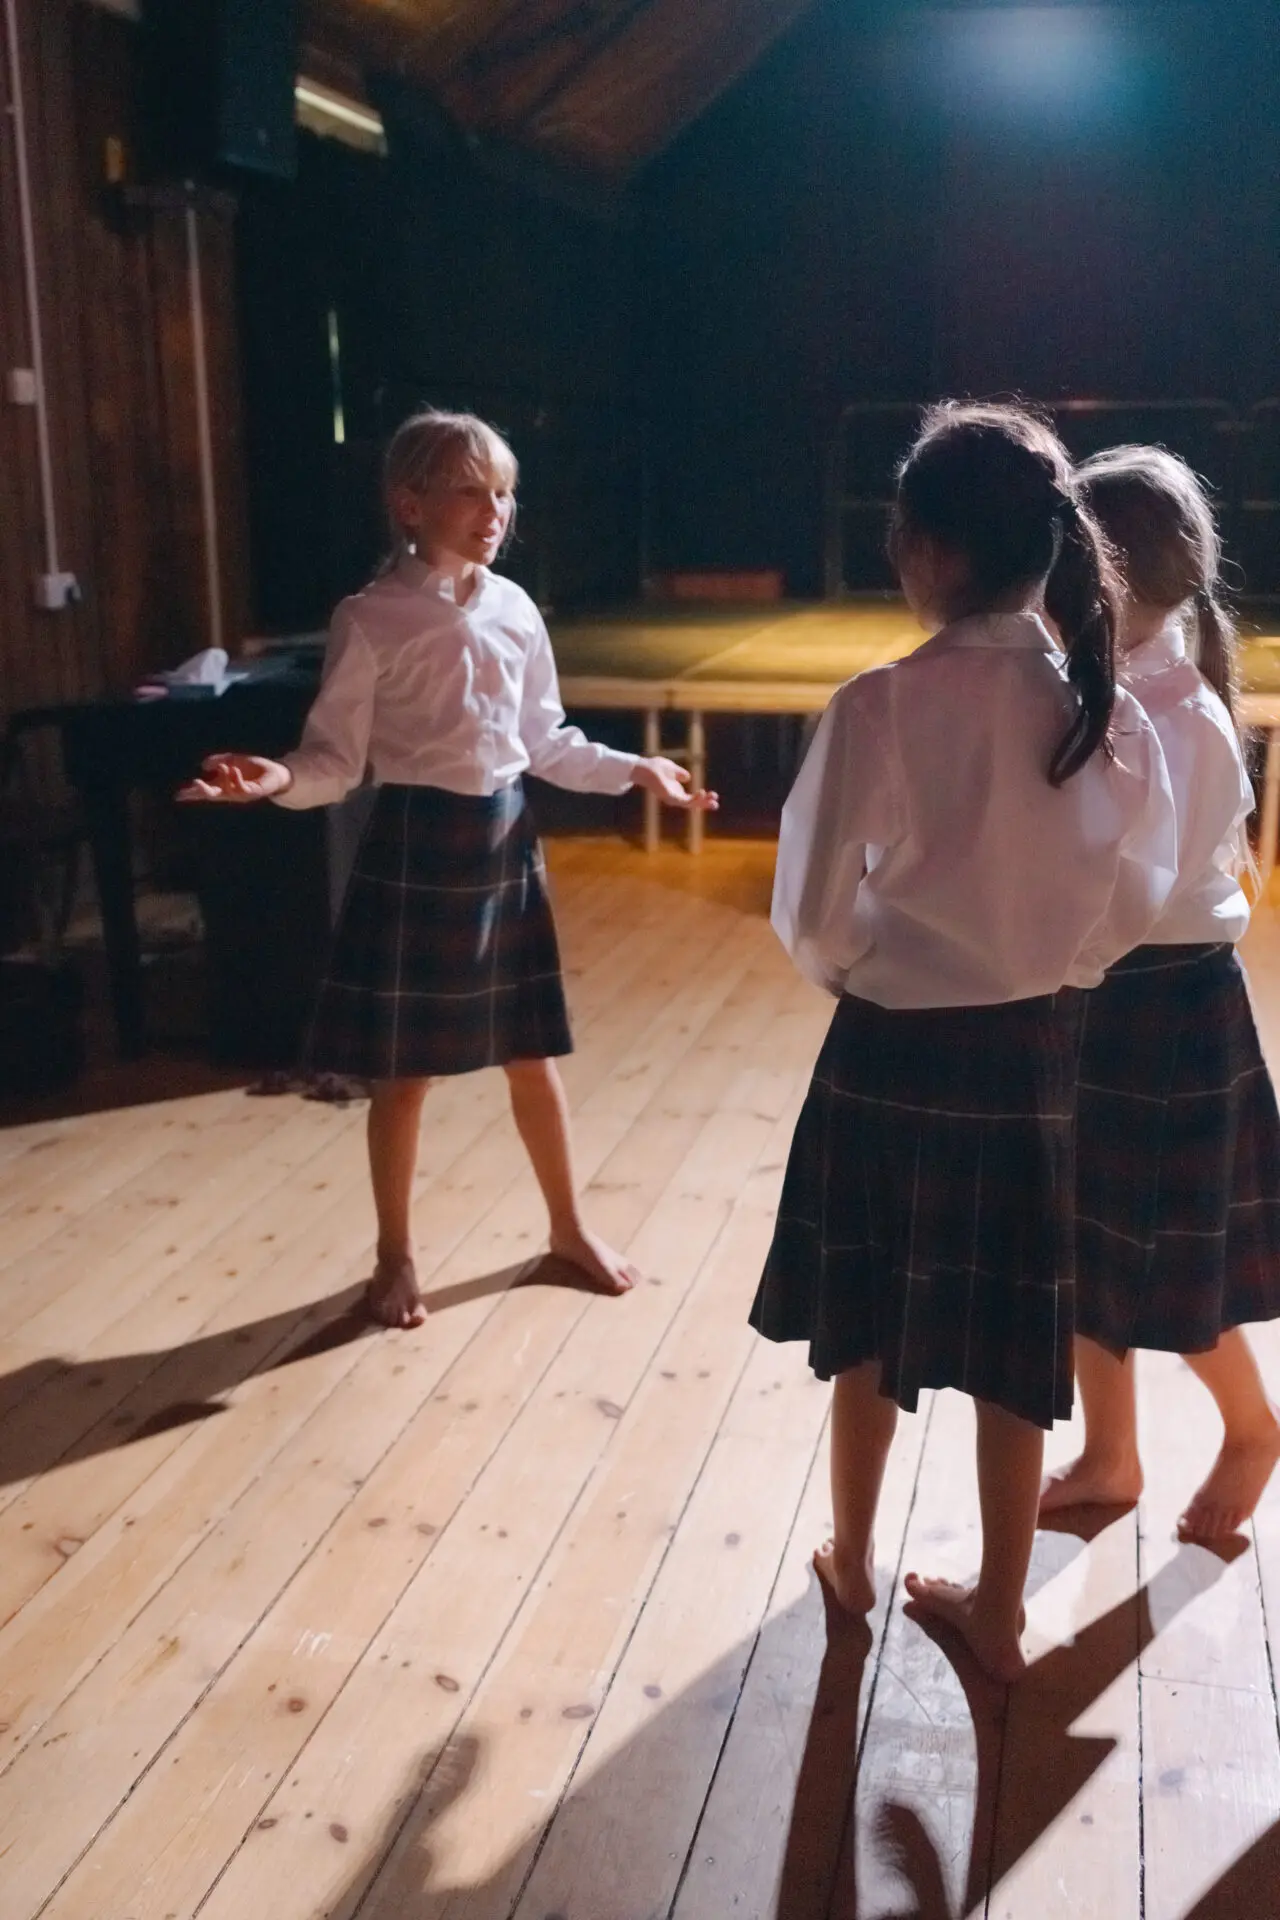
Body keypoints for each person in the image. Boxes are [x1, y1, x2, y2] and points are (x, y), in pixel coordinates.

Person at [749, 401, 1178, 1681]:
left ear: (921, 548)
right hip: (1033, 1051)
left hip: (886, 1053)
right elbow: (1135, 898)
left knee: (867, 1328)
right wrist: (1051, 969)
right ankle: (997, 1611)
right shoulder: (1108, 709)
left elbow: (809, 913)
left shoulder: (880, 705)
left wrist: (869, 971)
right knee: (1010, 1344)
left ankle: (851, 1560)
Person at [180, 409, 716, 1328]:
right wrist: (271, 778)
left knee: (531, 1055)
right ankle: (395, 1258)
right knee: (402, 1075)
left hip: (504, 841)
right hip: (416, 845)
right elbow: (334, 764)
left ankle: (567, 1227)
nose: (494, 510)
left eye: (504, 491)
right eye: (470, 489)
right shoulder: (369, 618)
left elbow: (544, 741)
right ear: (409, 501)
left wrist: (636, 771)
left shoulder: (515, 609)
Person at [1039, 445, 1280, 1539]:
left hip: (1156, 1003)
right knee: (1083, 1247)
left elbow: (1124, 898)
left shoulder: (1165, 711)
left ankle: (1250, 1427)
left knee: (1177, 1270)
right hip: (1121, 996)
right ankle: (1109, 1454)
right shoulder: (1136, 680)